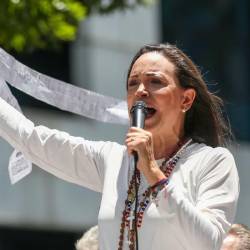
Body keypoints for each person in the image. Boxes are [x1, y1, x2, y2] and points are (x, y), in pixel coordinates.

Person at [0, 43, 239, 250]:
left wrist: (154, 175)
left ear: (186, 99)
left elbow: (209, 242)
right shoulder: (114, 160)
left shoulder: (212, 161)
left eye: (155, 82)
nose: (141, 92)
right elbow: (32, 140)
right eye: (133, 84)